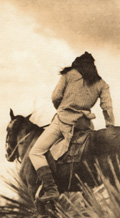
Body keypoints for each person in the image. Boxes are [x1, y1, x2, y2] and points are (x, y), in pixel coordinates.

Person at [29, 52, 115, 202]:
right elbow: (107, 107)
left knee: (36, 152)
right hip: (84, 124)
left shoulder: (68, 75)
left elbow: (55, 97)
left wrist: (62, 108)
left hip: (63, 120)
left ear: (78, 65)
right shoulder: (102, 83)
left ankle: (50, 189)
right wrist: (109, 126)